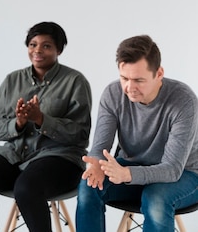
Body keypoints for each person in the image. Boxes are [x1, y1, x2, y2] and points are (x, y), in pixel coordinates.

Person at [0, 21, 92, 232]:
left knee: (26, 188)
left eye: (46, 46)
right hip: (16, 154)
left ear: (59, 49)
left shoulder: (75, 81)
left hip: (60, 156)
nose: (37, 51)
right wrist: (19, 123)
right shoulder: (12, 80)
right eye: (33, 45)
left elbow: (80, 134)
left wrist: (42, 119)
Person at [76, 35, 198, 232]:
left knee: (155, 198)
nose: (129, 88)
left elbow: (172, 169)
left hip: (186, 174)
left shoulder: (183, 101)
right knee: (89, 185)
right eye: (124, 78)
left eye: (138, 80)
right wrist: (96, 163)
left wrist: (127, 174)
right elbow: (100, 147)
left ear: (159, 73)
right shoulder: (113, 94)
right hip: (132, 168)